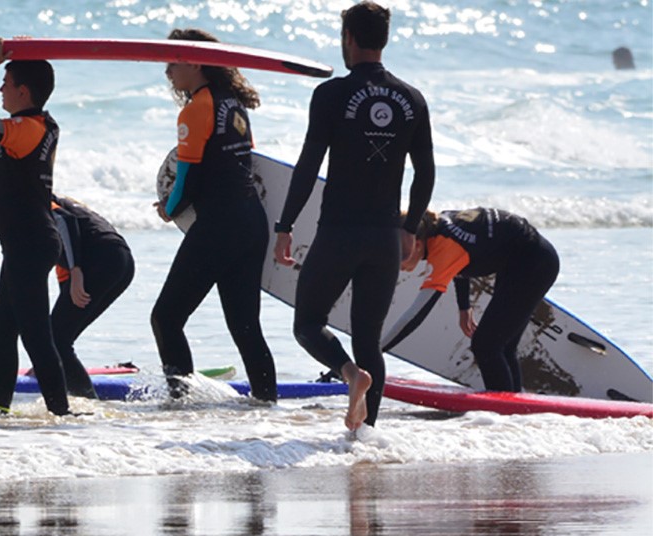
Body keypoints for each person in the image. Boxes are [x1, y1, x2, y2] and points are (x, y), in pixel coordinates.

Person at [275, 1, 435, 431]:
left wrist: (285, 226)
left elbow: (308, 166)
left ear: (349, 39)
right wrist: (409, 228)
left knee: (308, 323)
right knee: (369, 339)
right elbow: (426, 172)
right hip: (384, 237)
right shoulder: (411, 99)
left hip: (339, 234)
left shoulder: (330, 95)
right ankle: (366, 441)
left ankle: (349, 375)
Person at [151, 28, 278, 403]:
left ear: (194, 61)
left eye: (173, 61)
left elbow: (188, 178)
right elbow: (241, 165)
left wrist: (168, 209)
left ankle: (182, 402)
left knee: (166, 318)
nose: (168, 69)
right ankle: (267, 404)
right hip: (251, 223)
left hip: (219, 227)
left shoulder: (197, 108)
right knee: (245, 326)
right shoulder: (232, 104)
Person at [0, 38, 72, 416]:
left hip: (30, 244)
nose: (0, 90)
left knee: (34, 335)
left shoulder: (28, 128)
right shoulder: (33, 125)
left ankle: (61, 414)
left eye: (6, 83)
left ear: (23, 91)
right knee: (3, 332)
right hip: (23, 244)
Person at [380, 208, 557, 392]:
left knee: (486, 345)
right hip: (521, 261)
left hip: (535, 264)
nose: (394, 265)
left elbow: (416, 314)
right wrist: (464, 306)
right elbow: (461, 257)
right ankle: (514, 408)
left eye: (396, 256)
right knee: (501, 346)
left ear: (416, 244)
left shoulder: (444, 247)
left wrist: (375, 352)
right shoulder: (437, 226)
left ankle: (504, 412)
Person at [49, 197, 134, 398]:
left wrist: (76, 269)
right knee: (60, 337)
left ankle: (88, 402)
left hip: (100, 261)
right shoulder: (66, 203)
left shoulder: (39, 201)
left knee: (55, 339)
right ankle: (80, 393)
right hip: (122, 261)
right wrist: (53, 360)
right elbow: (65, 281)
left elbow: (64, 221)